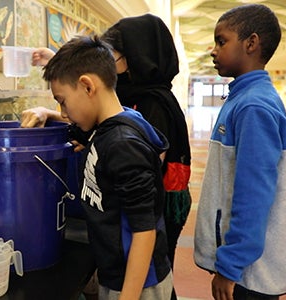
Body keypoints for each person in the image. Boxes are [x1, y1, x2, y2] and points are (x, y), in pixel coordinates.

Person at [23, 16, 191, 292]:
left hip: (136, 283)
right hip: (115, 270)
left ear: (88, 86)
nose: (64, 113)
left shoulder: (123, 143)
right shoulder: (114, 122)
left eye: (62, 102)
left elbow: (144, 232)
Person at [193, 4, 286, 300]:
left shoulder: (253, 106)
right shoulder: (244, 98)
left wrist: (231, 266)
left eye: (221, 41)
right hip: (247, 269)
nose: (213, 50)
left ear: (251, 43)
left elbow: (253, 193)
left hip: (251, 274)